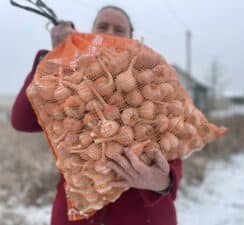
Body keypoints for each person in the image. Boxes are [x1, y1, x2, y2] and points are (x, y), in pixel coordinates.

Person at [11, 5, 182, 225]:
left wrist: (160, 181)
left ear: (132, 41)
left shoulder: (153, 84)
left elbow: (174, 155)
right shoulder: (69, 80)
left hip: (143, 217)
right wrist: (53, 58)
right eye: (102, 26)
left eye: (119, 29)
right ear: (90, 35)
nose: (109, 33)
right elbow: (22, 120)